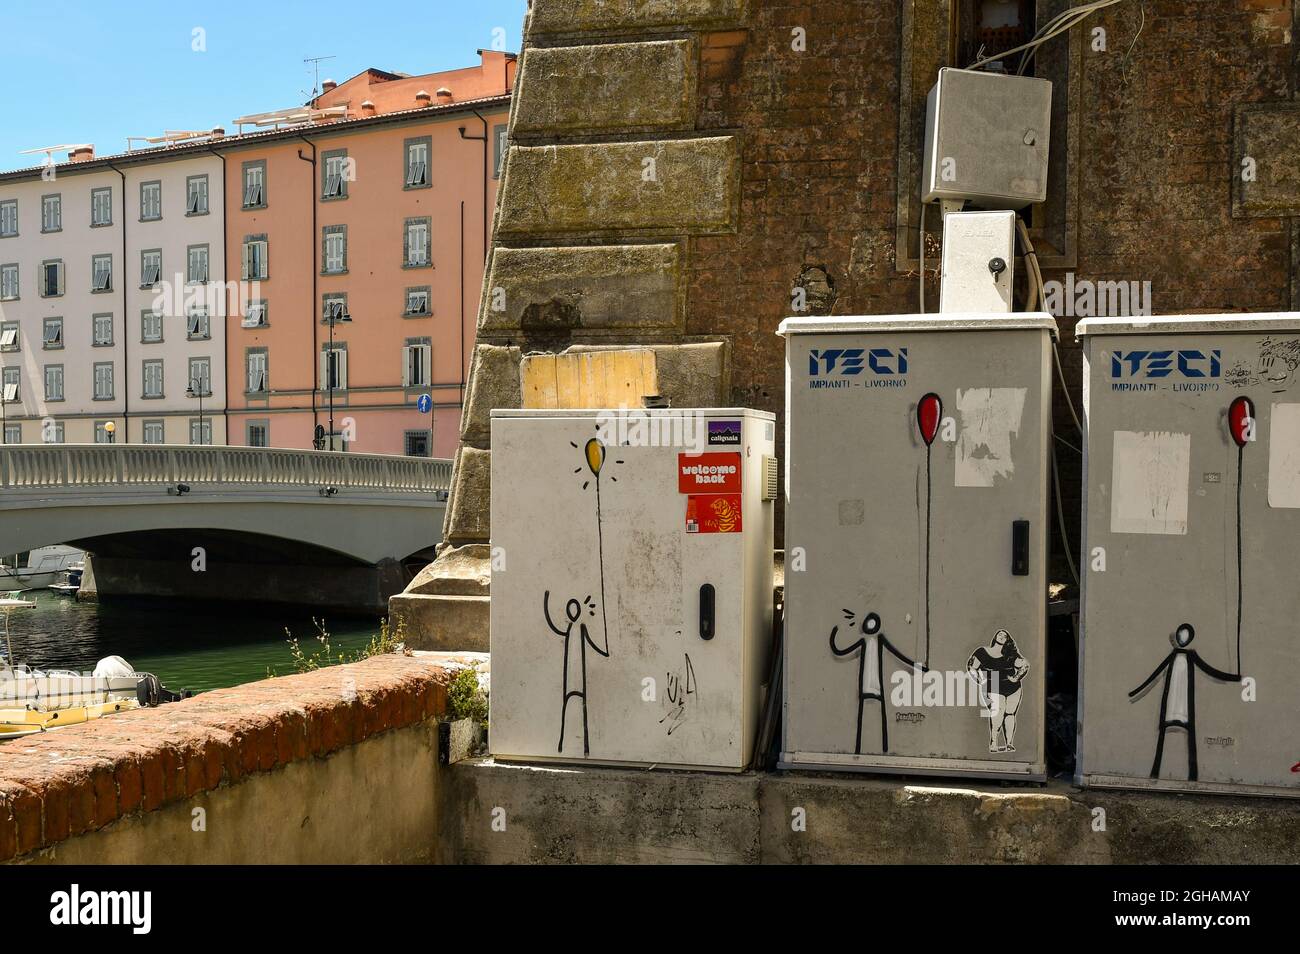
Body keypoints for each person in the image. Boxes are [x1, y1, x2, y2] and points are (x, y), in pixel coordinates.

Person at [1129, 622, 1238, 781]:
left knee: (1190, 735)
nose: (1183, 638)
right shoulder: (1173, 655)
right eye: (1182, 635)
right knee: (1163, 736)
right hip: (1171, 702)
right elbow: (1156, 673)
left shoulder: (1191, 656)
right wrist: (1137, 691)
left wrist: (1233, 678)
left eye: (1186, 636)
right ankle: (1155, 771)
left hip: (1185, 705)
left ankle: (1192, 774)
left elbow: (1209, 670)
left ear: (1189, 638)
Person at [830, 611, 926, 755]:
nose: (870, 626)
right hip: (866, 684)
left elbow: (897, 654)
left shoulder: (880, 640)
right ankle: (859, 747)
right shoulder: (863, 641)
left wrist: (917, 667)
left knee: (881, 714)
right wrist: (834, 634)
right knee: (862, 714)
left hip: (877, 684)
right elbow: (841, 651)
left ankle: (884, 746)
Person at [544, 590, 609, 757]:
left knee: (582, 707)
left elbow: (592, 643)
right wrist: (546, 602)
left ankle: (585, 745)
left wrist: (604, 652)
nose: (573, 612)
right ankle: (562, 743)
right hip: (570, 678)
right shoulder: (570, 629)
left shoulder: (580, 628)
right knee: (567, 705)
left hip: (579, 677)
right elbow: (554, 625)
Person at [968, 629, 1030, 753]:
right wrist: (979, 680)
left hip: (1013, 688)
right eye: (1000, 634)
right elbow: (972, 667)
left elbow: (1025, 665)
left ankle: (1009, 743)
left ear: (1007, 640)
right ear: (995, 636)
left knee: (1010, 714)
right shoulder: (982, 652)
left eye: (1005, 636)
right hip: (994, 685)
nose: (1002, 636)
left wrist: (1016, 678)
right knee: (998, 713)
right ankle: (994, 742)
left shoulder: (1010, 654)